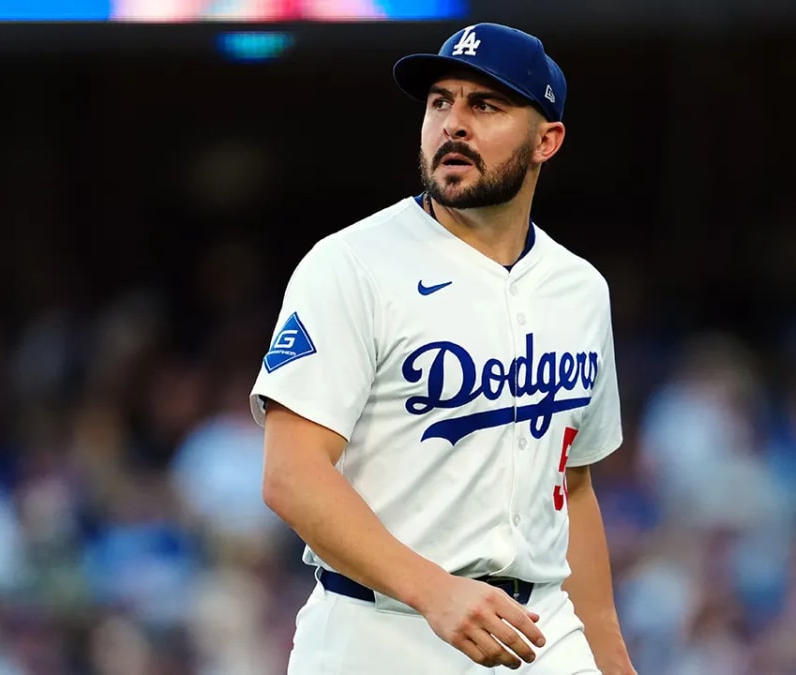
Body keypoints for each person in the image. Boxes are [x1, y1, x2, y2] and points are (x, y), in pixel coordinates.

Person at [251, 22, 636, 674]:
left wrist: (611, 658)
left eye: (485, 104)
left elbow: (573, 486)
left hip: (542, 629)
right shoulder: (351, 265)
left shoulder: (580, 289)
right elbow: (291, 474)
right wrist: (433, 588)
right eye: (440, 102)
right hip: (378, 627)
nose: (453, 123)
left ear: (547, 139)